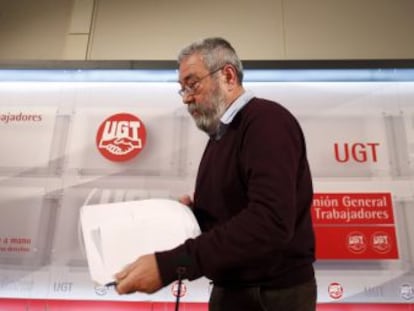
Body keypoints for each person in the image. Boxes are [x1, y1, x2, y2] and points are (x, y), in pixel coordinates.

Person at [115, 37, 317, 311]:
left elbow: (270, 222)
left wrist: (170, 266)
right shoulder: (221, 136)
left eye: (193, 83)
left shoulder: (267, 122)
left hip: (270, 295)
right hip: (234, 289)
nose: (186, 97)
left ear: (228, 75)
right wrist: (194, 216)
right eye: (182, 88)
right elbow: (237, 210)